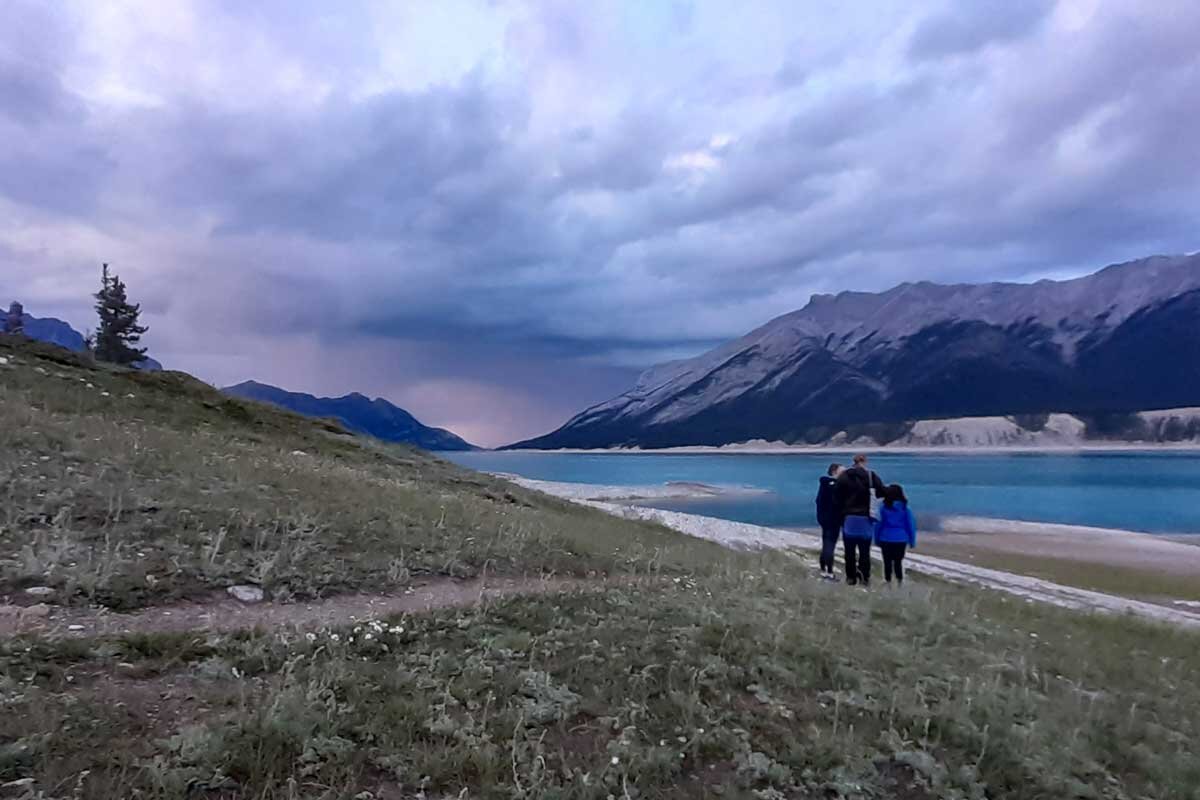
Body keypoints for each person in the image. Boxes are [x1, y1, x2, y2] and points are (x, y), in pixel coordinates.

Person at [835, 453, 886, 586]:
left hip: (849, 518)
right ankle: (865, 578)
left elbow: (837, 497)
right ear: (865, 462)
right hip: (866, 518)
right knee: (865, 552)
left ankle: (851, 578)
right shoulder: (871, 476)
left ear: (853, 461)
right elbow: (881, 491)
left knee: (849, 551)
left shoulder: (844, 476)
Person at [875, 484, 917, 585]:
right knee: (898, 562)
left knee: (887, 562)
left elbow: (878, 524)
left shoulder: (883, 508)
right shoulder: (905, 508)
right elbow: (910, 525)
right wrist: (912, 540)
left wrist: (876, 539)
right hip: (901, 538)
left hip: (886, 538)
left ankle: (887, 581)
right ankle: (899, 581)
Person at [814, 463, 842, 579]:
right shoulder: (835, 486)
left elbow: (818, 501)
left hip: (824, 519)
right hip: (833, 519)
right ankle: (829, 571)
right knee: (830, 544)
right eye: (842, 471)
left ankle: (823, 569)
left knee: (826, 542)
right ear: (835, 471)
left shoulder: (823, 485)